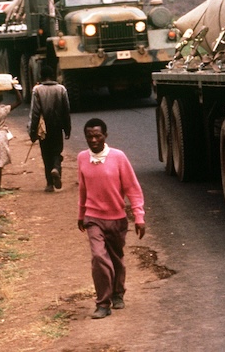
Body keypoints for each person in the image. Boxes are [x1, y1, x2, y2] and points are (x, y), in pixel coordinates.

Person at [77, 118, 146, 320]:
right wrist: (81, 214)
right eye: (89, 136)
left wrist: (139, 216)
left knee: (116, 258)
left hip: (116, 219)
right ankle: (103, 303)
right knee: (99, 257)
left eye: (97, 136)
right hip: (93, 218)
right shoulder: (82, 158)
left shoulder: (118, 157)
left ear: (105, 136)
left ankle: (118, 293)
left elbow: (132, 189)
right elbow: (83, 189)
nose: (93, 140)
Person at [28, 65, 72, 192]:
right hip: (57, 126)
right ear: (52, 76)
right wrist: (67, 129)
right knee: (57, 151)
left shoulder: (37, 90)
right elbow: (66, 111)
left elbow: (35, 112)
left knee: (46, 154)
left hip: (43, 128)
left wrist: (32, 131)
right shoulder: (61, 89)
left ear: (41, 76)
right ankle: (56, 168)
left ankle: (49, 184)